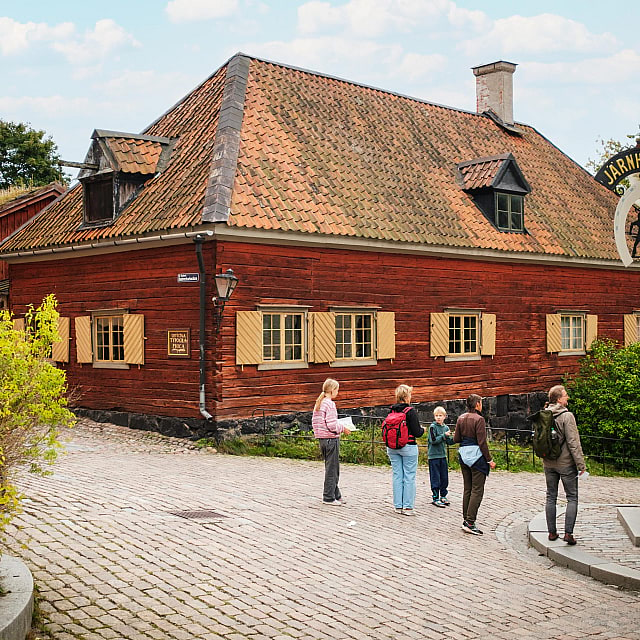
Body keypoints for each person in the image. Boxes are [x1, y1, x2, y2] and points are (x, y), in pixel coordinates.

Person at [543, 385, 587, 545]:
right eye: (565, 395)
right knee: (572, 497)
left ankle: (552, 532)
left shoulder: (545, 414)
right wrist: (581, 465)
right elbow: (573, 443)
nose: (568, 397)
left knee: (551, 496)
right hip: (566, 463)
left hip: (548, 462)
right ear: (559, 399)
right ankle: (568, 533)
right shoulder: (567, 416)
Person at [453, 394, 496, 535]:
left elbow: (456, 438)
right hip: (477, 457)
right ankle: (470, 522)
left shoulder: (461, 418)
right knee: (477, 490)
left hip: (463, 455)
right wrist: (489, 460)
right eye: (481, 403)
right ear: (477, 404)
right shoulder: (479, 419)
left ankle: (466, 518)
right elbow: (482, 442)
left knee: (468, 488)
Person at [386, 384, 424, 516]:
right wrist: (423, 430)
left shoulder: (392, 411)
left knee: (397, 475)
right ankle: (407, 507)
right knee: (409, 476)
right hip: (408, 447)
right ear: (407, 396)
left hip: (392, 447)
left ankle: (397, 506)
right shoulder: (410, 411)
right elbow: (417, 432)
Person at [312, 378, 350, 505]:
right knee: (332, 469)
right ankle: (328, 497)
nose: (337, 393)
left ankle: (336, 494)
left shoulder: (319, 403)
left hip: (322, 439)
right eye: (337, 390)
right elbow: (332, 424)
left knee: (331, 467)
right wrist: (343, 428)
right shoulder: (329, 404)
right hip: (331, 439)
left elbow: (316, 422)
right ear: (332, 390)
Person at [428, 406, 454, 508]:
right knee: (435, 477)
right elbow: (433, 440)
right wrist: (444, 436)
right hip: (433, 456)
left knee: (444, 477)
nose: (438, 417)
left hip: (443, 455)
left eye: (440, 416)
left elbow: (448, 442)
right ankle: (435, 497)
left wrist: (455, 438)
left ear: (444, 416)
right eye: (436, 416)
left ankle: (443, 495)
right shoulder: (432, 427)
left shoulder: (446, 428)